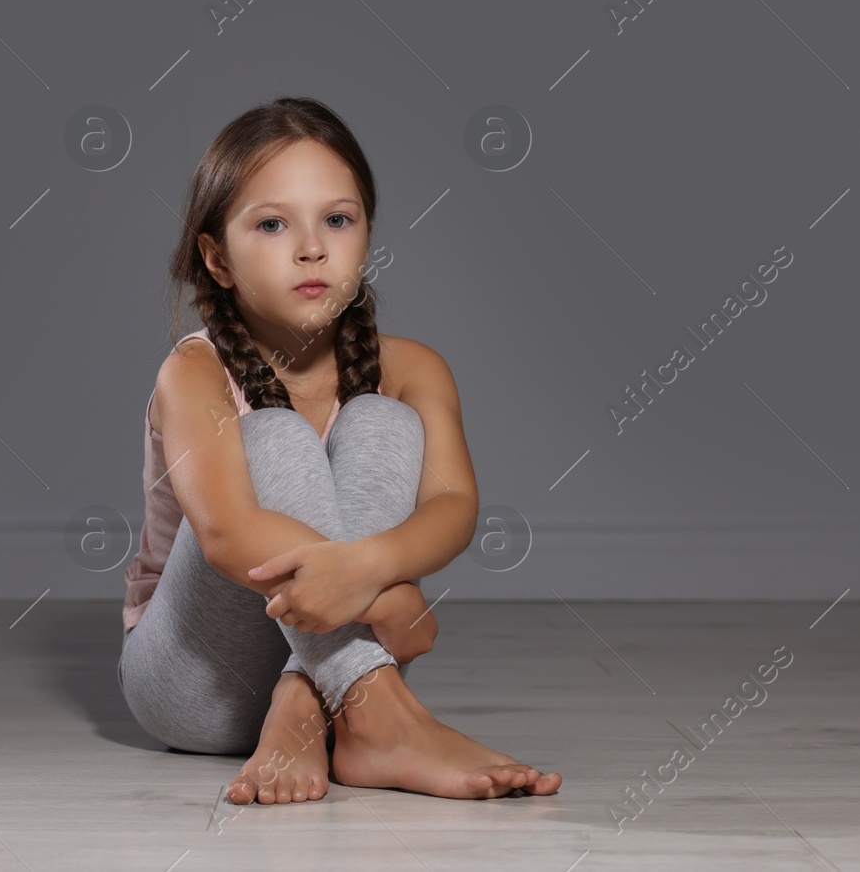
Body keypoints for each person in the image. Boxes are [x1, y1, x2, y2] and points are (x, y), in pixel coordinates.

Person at [118, 96, 562, 805]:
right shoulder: (194, 372)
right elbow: (230, 534)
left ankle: (310, 705)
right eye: (271, 224)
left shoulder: (414, 367)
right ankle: (379, 710)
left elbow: (454, 505)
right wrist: (387, 595)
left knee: (382, 422)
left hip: (321, 653)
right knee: (275, 434)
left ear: (367, 234)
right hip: (197, 680)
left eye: (338, 219)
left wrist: (368, 568)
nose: (311, 247)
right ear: (217, 258)